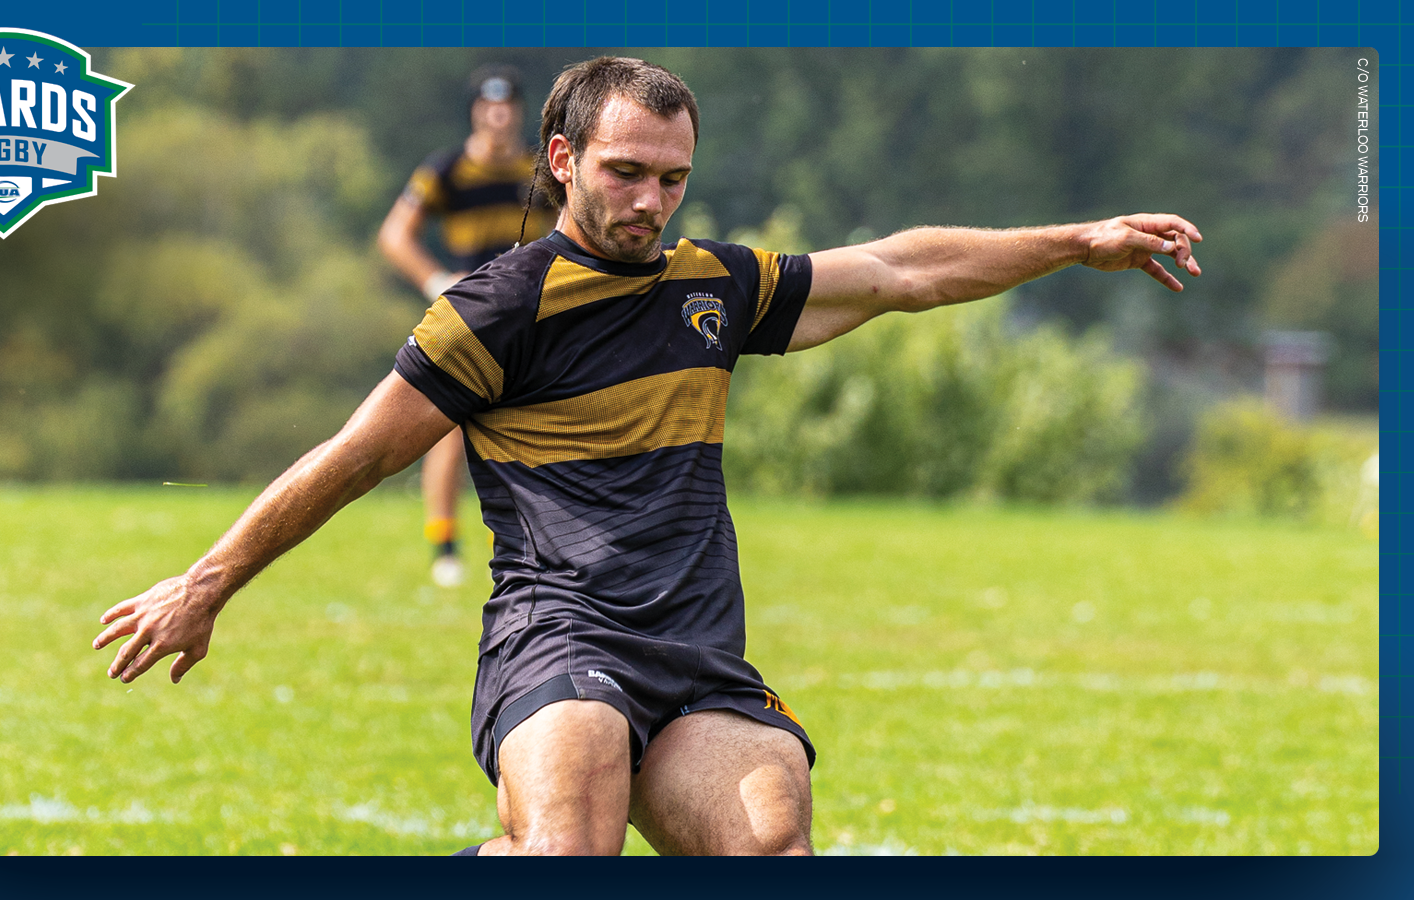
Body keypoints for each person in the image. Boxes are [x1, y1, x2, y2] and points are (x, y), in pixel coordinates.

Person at [95, 56, 1201, 856]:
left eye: (671, 179)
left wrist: (1078, 243)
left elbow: (899, 270)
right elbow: (350, 459)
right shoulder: (494, 312)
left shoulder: (713, 288)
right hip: (556, 641)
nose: (650, 201)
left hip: (698, 663)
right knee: (569, 851)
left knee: (769, 847)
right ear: (563, 158)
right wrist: (204, 588)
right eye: (626, 172)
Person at [377, 64, 552, 588]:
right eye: (488, 107)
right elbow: (395, 234)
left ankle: (546, 544)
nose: (498, 117)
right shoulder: (446, 170)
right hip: (470, 309)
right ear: (477, 112)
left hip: (532, 309)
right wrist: (434, 280)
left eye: (507, 108)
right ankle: (445, 545)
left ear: (518, 113)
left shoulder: (538, 169)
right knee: (446, 425)